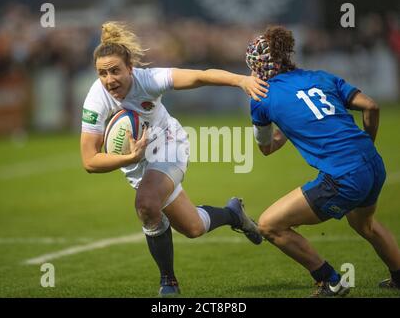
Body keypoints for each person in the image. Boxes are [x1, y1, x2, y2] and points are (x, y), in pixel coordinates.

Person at [80, 21, 267, 297]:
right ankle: (233, 214)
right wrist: (129, 157)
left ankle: (168, 282)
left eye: (115, 71)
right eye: (102, 73)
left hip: (168, 145)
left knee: (146, 203)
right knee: (193, 227)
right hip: (135, 161)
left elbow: (200, 76)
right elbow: (89, 161)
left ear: (130, 68)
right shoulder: (96, 99)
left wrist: (241, 80)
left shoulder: (149, 80)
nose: (109, 80)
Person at [245, 25, 400, 297]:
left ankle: (330, 280)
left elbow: (266, 148)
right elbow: (371, 106)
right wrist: (366, 144)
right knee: (366, 225)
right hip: (373, 164)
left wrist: (285, 132)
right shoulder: (320, 76)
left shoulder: (261, 96)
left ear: (258, 66)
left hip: (344, 176)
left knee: (269, 224)